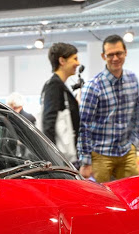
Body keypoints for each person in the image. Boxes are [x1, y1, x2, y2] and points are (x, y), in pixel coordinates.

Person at [78, 35, 139, 183]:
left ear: (125, 52)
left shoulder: (132, 79)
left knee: (134, 194)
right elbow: (84, 126)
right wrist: (86, 161)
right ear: (103, 56)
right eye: (110, 55)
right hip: (100, 154)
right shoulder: (93, 86)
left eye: (118, 53)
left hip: (127, 151)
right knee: (98, 199)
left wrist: (135, 141)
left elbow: (135, 113)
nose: (115, 58)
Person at [41, 42, 83, 175]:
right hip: (59, 160)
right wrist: (53, 158)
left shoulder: (59, 86)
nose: (78, 63)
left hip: (62, 159)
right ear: (62, 61)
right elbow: (48, 123)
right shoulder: (54, 86)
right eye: (75, 59)